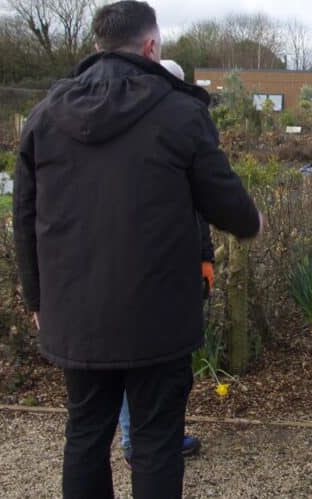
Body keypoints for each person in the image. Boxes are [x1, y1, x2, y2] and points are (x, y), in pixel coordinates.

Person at [14, 0, 261, 499]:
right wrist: (252, 221)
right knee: (155, 440)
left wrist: (37, 297)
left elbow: (25, 215)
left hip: (76, 311)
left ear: (98, 45)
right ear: (150, 47)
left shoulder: (45, 116)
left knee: (85, 433)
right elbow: (225, 203)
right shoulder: (180, 113)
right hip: (157, 315)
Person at [116, 58, 212, 466]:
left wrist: (205, 257)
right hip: (141, 271)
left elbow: (198, 206)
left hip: (177, 268)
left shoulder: (181, 129)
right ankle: (136, 439)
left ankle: (159, 435)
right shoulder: (137, 135)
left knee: (170, 365)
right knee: (134, 359)